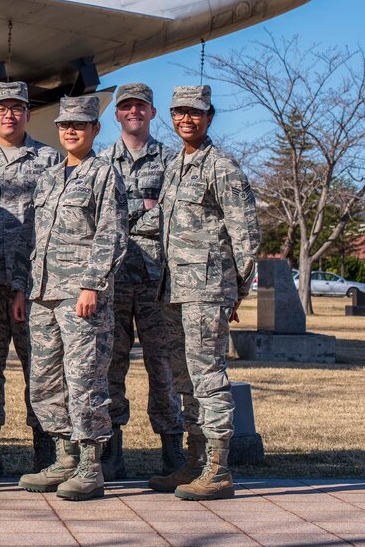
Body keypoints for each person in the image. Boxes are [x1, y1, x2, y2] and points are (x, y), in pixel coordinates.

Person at [147, 85, 259, 501]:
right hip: (175, 289)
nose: (186, 119)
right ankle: (194, 461)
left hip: (207, 290)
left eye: (195, 113)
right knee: (184, 378)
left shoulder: (222, 167)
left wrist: (237, 291)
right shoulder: (175, 166)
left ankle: (218, 467)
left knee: (208, 378)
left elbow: (246, 233)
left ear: (209, 117)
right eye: (179, 113)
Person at [18, 95, 126, 501]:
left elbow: (111, 235)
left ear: (95, 130)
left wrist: (92, 285)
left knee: (85, 380)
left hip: (81, 297)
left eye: (79, 125)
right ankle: (63, 457)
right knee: (45, 381)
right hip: (42, 293)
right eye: (64, 125)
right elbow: (34, 238)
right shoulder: (48, 177)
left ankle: (90, 467)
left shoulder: (104, 174)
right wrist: (23, 287)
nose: (70, 130)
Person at [97, 83, 185, 480]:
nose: (133, 111)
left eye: (141, 106)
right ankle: (111, 454)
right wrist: (146, 208)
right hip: (111, 284)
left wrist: (130, 214)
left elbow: (176, 215)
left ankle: (173, 453)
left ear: (152, 112)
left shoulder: (171, 161)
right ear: (116, 114)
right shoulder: (100, 163)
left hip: (155, 284)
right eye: (126, 106)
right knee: (109, 368)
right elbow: (96, 220)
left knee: (163, 367)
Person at [0, 81, 61, 474]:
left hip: (35, 285)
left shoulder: (50, 159)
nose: (9, 114)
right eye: (1, 108)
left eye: (17, 107)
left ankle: (46, 452)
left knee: (42, 369)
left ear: (28, 113)